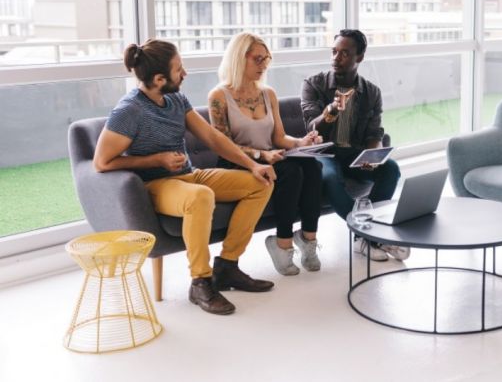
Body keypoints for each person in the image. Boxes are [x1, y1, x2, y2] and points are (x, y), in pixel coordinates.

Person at [93, 39, 277, 316]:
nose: (185, 73)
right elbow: (101, 162)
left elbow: (212, 137)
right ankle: (200, 281)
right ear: (158, 79)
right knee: (200, 196)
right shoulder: (129, 111)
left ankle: (227, 267)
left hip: (190, 175)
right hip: (157, 184)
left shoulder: (176, 99)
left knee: (260, 182)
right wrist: (157, 160)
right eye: (179, 69)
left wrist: (252, 165)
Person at [209, 32, 324, 277]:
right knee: (290, 172)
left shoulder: (268, 93)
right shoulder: (219, 97)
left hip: (269, 157)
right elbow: (223, 145)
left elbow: (279, 138)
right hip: (237, 163)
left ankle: (308, 239)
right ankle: (282, 244)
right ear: (240, 58)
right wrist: (261, 155)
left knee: (313, 166)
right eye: (258, 59)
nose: (264, 65)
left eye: (267, 59)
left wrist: (303, 142)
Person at [301, 29, 406, 261]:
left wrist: (373, 154)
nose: (336, 59)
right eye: (334, 52)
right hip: (323, 153)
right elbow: (312, 129)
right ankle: (372, 236)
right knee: (329, 177)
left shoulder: (371, 92)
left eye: (345, 54)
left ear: (359, 57)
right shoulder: (314, 85)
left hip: (353, 154)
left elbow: (374, 132)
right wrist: (331, 111)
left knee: (391, 169)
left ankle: (368, 239)